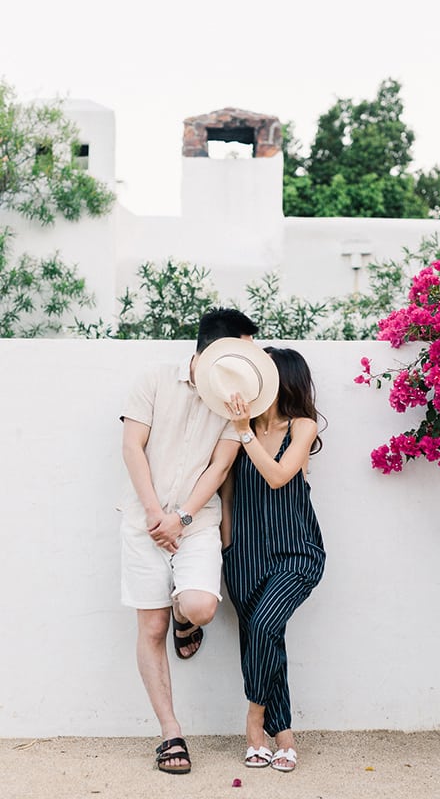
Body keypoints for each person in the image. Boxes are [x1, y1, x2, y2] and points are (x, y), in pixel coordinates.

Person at [119, 308, 259, 776]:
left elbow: (220, 467)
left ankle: (186, 619)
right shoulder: (154, 380)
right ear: (214, 348)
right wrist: (157, 515)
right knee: (151, 628)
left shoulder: (234, 401)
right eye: (241, 347)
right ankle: (170, 733)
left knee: (200, 605)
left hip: (196, 522)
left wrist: (181, 517)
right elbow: (132, 447)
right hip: (145, 520)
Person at [221, 347, 326, 773]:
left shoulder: (301, 425)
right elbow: (227, 491)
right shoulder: (232, 429)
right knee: (266, 639)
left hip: (294, 551)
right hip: (244, 553)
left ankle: (254, 722)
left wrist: (245, 432)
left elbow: (279, 475)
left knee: (264, 626)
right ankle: (283, 737)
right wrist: (228, 543)